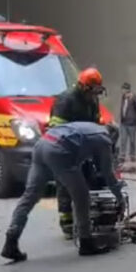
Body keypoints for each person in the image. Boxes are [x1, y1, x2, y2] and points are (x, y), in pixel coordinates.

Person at [1, 122, 125, 263]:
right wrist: (119, 198)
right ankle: (86, 242)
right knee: (82, 196)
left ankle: (11, 241)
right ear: (113, 137)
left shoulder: (89, 128)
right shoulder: (104, 139)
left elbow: (78, 156)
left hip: (42, 145)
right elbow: (107, 174)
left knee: (30, 196)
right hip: (59, 151)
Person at [49, 68, 105, 239]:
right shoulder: (65, 101)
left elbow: (95, 122)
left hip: (84, 148)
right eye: (93, 90)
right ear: (84, 87)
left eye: (98, 91)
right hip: (65, 149)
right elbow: (56, 129)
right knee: (66, 186)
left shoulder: (92, 101)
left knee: (89, 182)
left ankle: (88, 219)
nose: (95, 95)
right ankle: (67, 223)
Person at [119, 82, 136, 163]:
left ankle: (132, 155)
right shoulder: (123, 97)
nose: (123, 90)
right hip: (124, 122)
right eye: (122, 89)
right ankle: (122, 155)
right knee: (123, 139)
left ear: (128, 90)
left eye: (124, 89)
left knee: (132, 140)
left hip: (132, 123)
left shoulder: (134, 97)